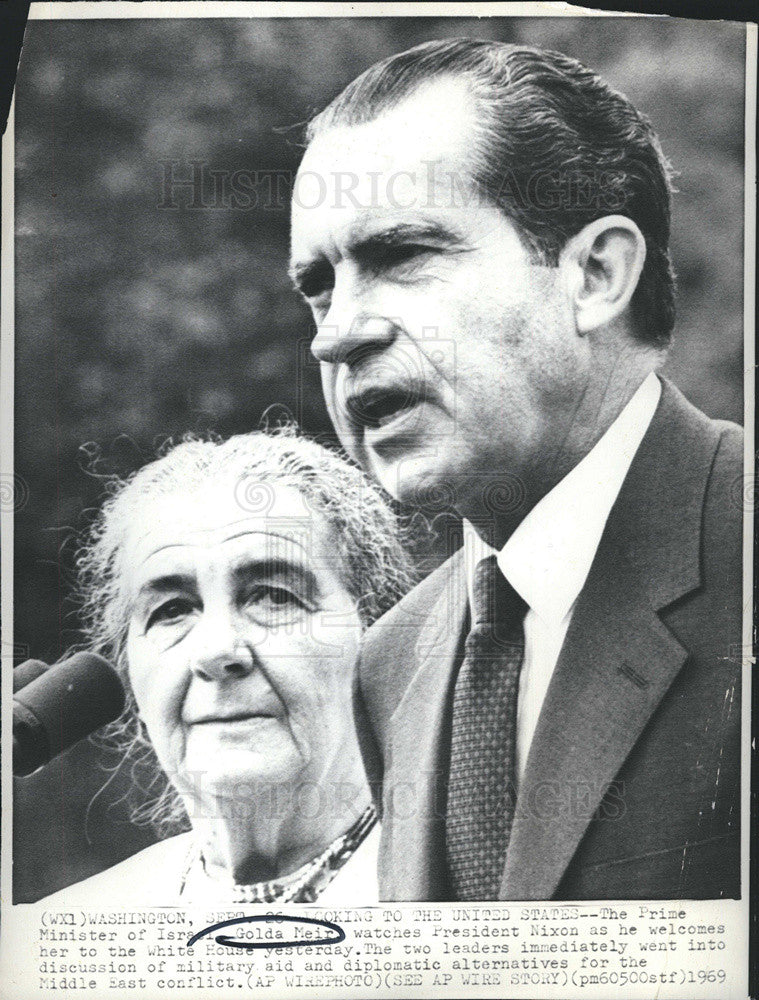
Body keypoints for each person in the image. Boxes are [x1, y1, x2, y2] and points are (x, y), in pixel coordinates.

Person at [289, 39, 743, 900]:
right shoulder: (393, 663)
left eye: (400, 254)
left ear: (596, 275)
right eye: (317, 284)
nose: (334, 332)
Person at [42, 428, 414, 905]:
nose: (216, 652)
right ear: (131, 679)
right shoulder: (68, 930)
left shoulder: (471, 896)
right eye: (171, 610)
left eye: (274, 597)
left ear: (381, 639)